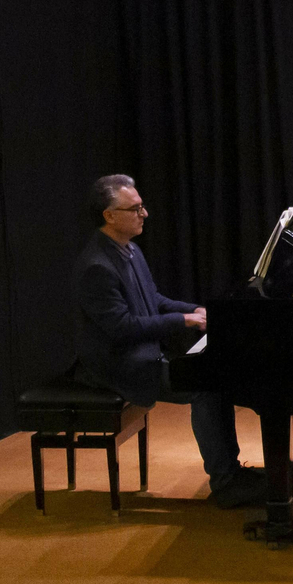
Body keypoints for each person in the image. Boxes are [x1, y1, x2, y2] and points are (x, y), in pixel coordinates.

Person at [74, 174, 262, 507]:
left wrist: (196, 310)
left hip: (142, 355)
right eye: (135, 208)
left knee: (217, 378)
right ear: (109, 216)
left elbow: (154, 299)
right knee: (204, 385)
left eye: (142, 206)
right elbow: (121, 328)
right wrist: (183, 320)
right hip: (119, 366)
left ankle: (232, 471)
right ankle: (225, 483)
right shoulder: (97, 266)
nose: (143, 214)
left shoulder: (129, 250)